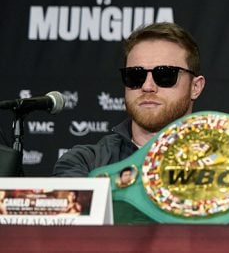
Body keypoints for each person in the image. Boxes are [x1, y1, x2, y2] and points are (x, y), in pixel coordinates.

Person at [53, 22, 206, 177]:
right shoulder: (86, 163)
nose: (147, 86)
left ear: (195, 87)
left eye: (165, 75)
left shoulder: (223, 160)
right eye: (135, 76)